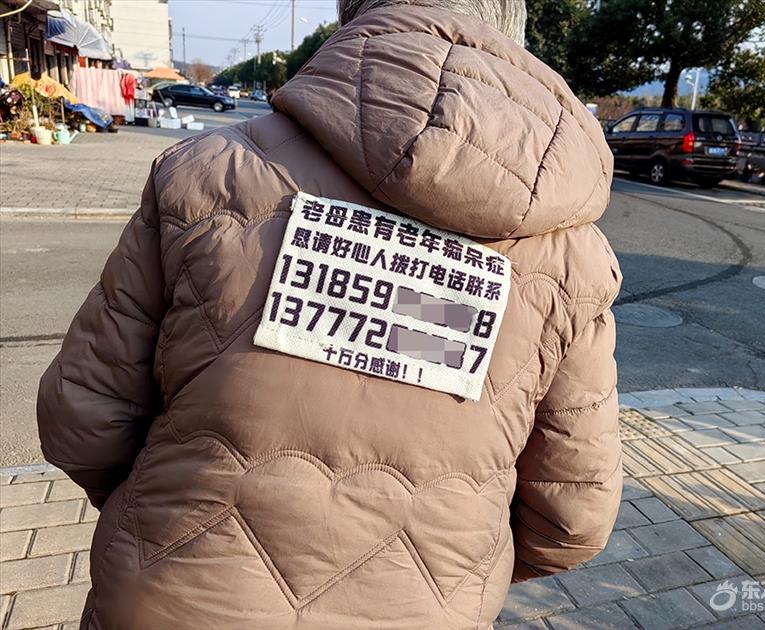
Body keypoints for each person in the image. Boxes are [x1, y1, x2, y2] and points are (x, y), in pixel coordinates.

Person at [37, 1, 622, 628]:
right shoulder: (575, 258)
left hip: (173, 599)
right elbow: (574, 515)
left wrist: (159, 515)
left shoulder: (209, 171)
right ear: (511, 29)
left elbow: (83, 417)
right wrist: (453, 578)